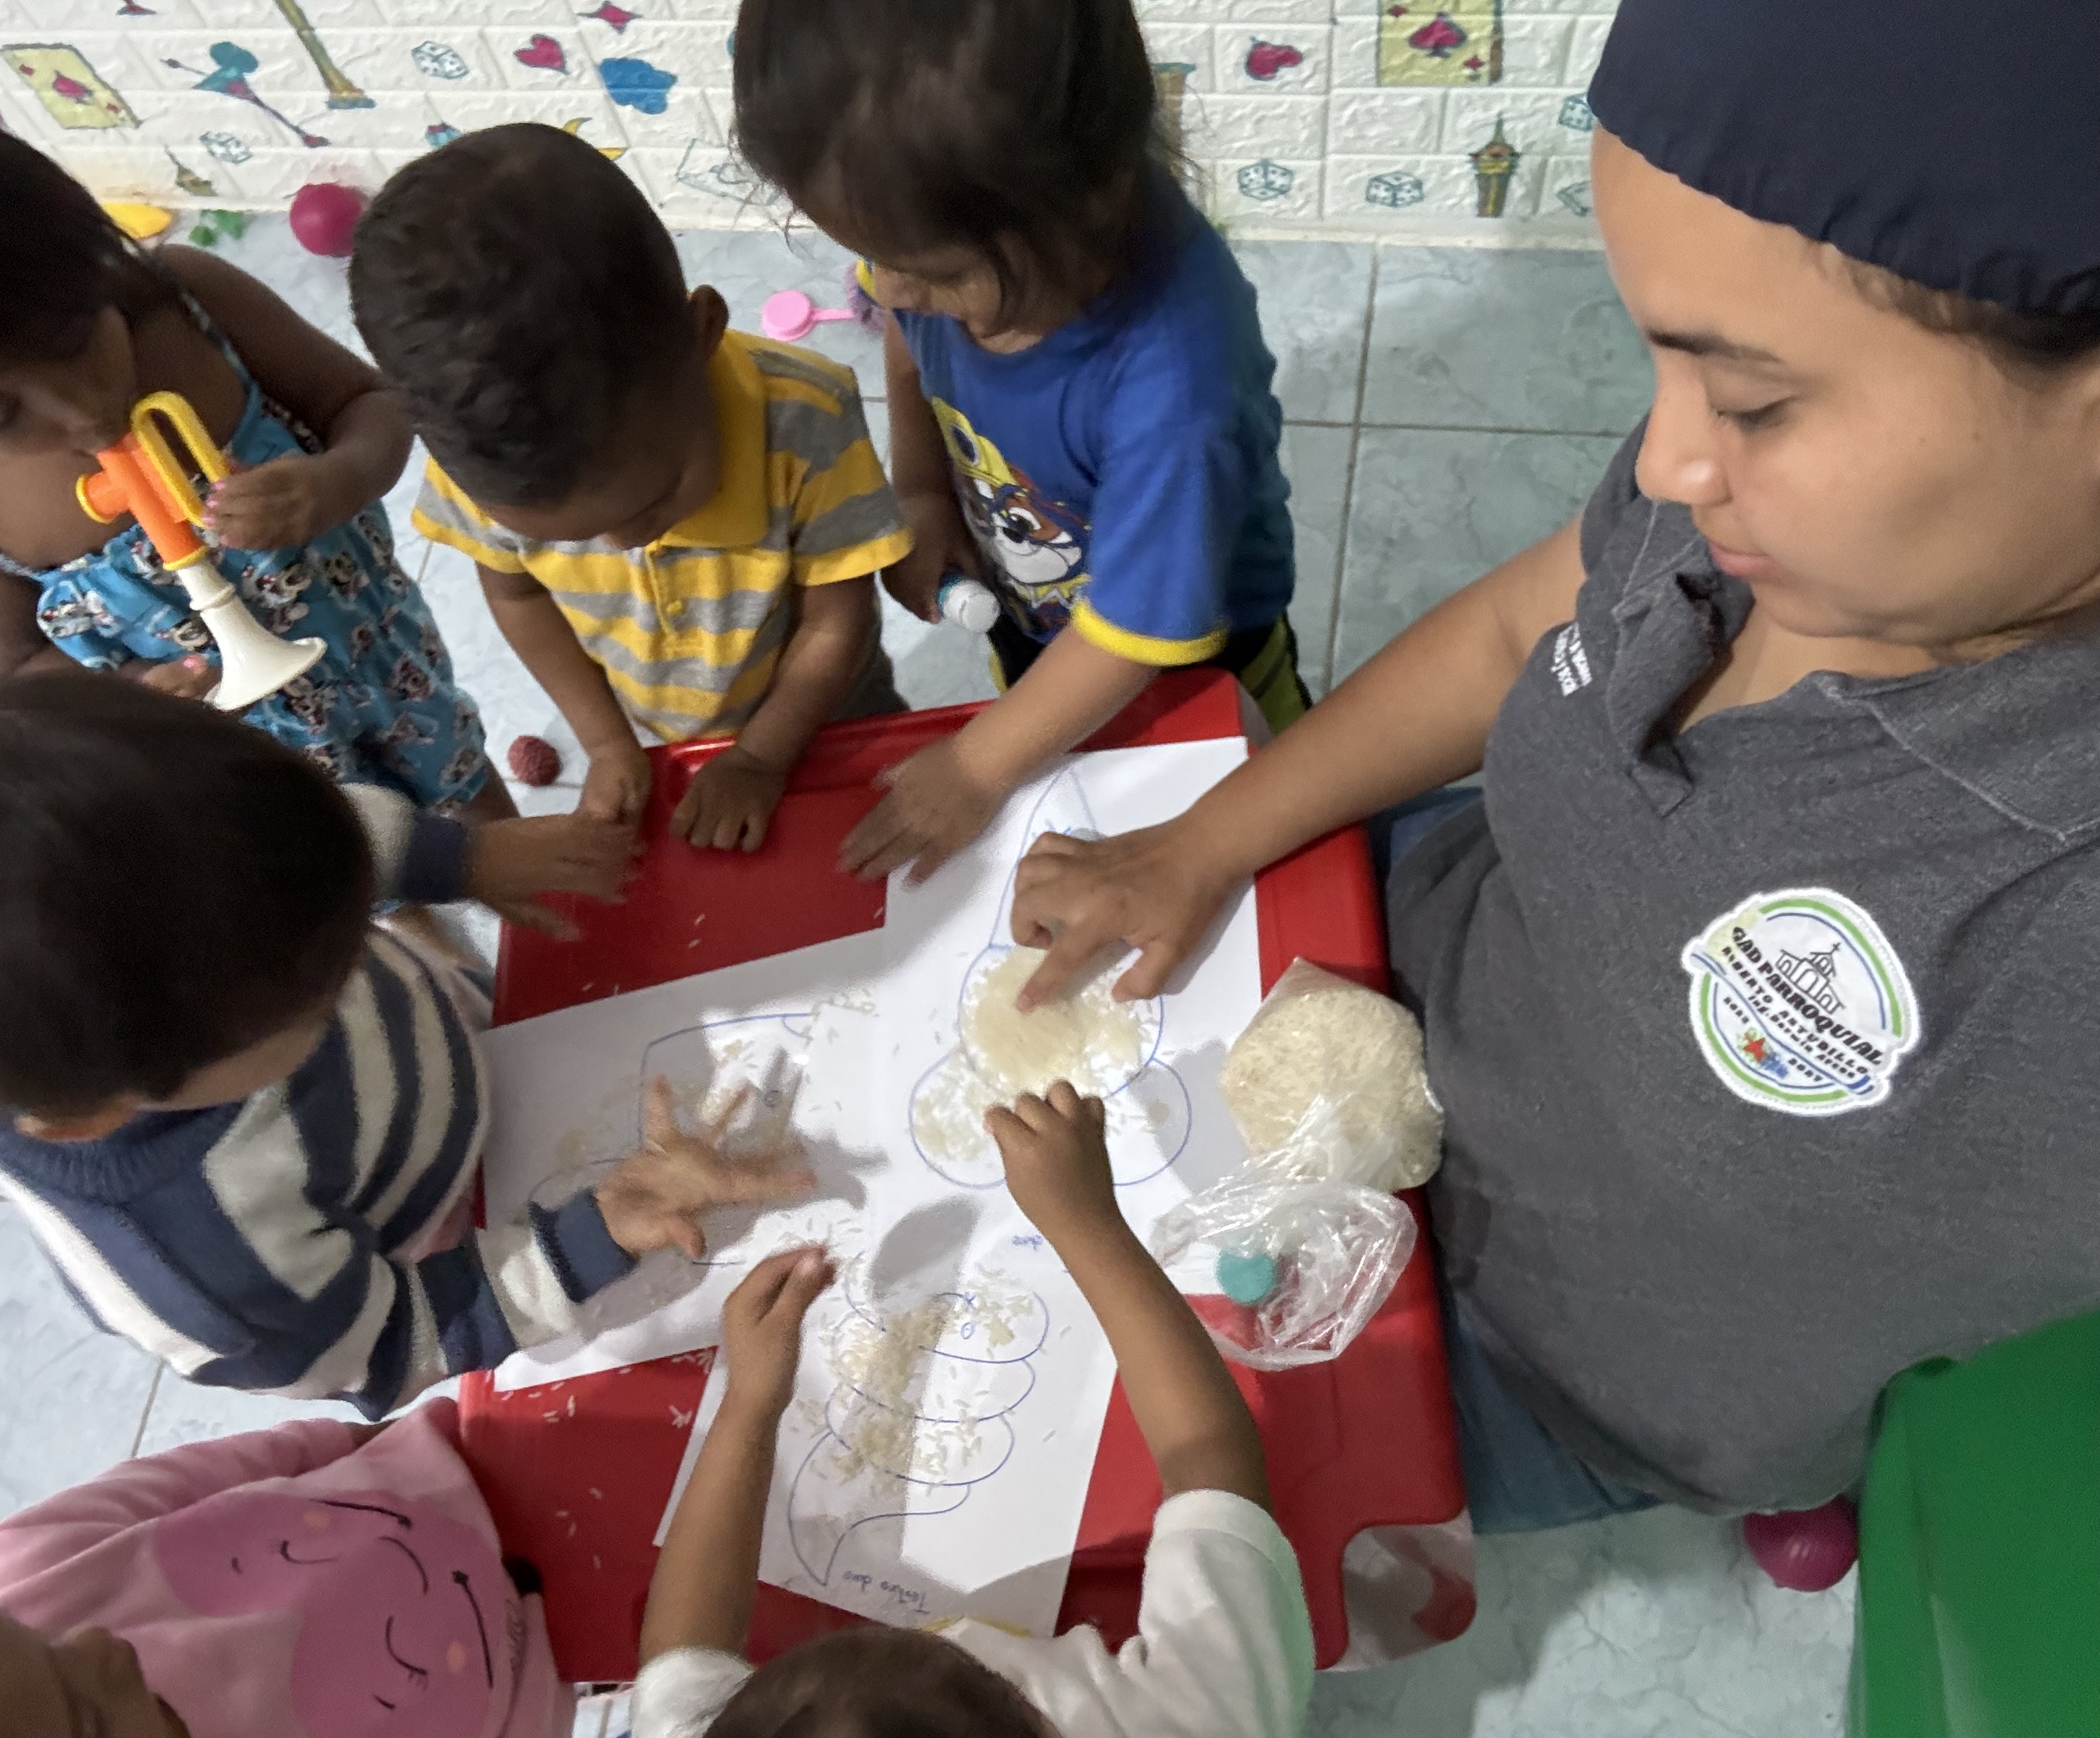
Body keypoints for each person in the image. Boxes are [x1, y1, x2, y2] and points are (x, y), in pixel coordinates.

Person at [1005, 0, 2100, 1562]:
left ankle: (1786, 1479)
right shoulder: (1744, 516)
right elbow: (1524, 623)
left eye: (1754, 401)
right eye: (1660, 364)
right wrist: (1203, 841)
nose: (1664, 462)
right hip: (1407, 983)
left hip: (1560, 1377)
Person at [0, 671, 813, 1418]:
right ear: (97, 1115)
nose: (354, 947)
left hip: (447, 1058)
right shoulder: (204, 1272)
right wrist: (593, 1233)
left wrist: (460, 859)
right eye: (316, 1004)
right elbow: (397, 1342)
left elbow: (307, 840)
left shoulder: (178, 865)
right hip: (446, 1225)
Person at [0, 74, 508, 822]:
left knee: (465, 784)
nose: (82, 410)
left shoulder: (190, 307)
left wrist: (337, 479)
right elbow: (17, 679)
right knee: (341, 861)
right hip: (238, 765)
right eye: (0, 415)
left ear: (81, 243)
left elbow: (370, 404)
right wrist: (131, 693)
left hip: (383, 664)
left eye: (74, 335)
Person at [730, 0, 1306, 885]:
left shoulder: (1180, 387)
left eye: (936, 274)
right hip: (1038, 627)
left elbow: (1136, 632)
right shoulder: (935, 227)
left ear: (1090, 199)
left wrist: (976, 765)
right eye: (876, 257)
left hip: (1203, 664)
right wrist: (923, 489)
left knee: (1259, 841)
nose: (891, 291)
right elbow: (903, 332)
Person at [631, 1085, 1315, 1738]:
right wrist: (1087, 1223)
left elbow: (680, 1661)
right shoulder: (1205, 1721)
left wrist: (748, 1407)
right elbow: (1209, 1457)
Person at [351, 123, 913, 855]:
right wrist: (607, 742)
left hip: (834, 714)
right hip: (666, 729)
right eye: (575, 538)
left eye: (654, 501)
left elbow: (835, 624)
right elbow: (518, 596)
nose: (626, 542)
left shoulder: (808, 419)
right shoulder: (480, 464)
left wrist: (759, 758)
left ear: (703, 330)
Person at [0, 1398, 574, 1738]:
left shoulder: (25, 1564)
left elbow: (200, 1475)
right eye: (86, 1721)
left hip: (465, 1459)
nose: (102, 1649)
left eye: (27, 1633)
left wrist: (350, 1440)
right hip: (556, 1662)